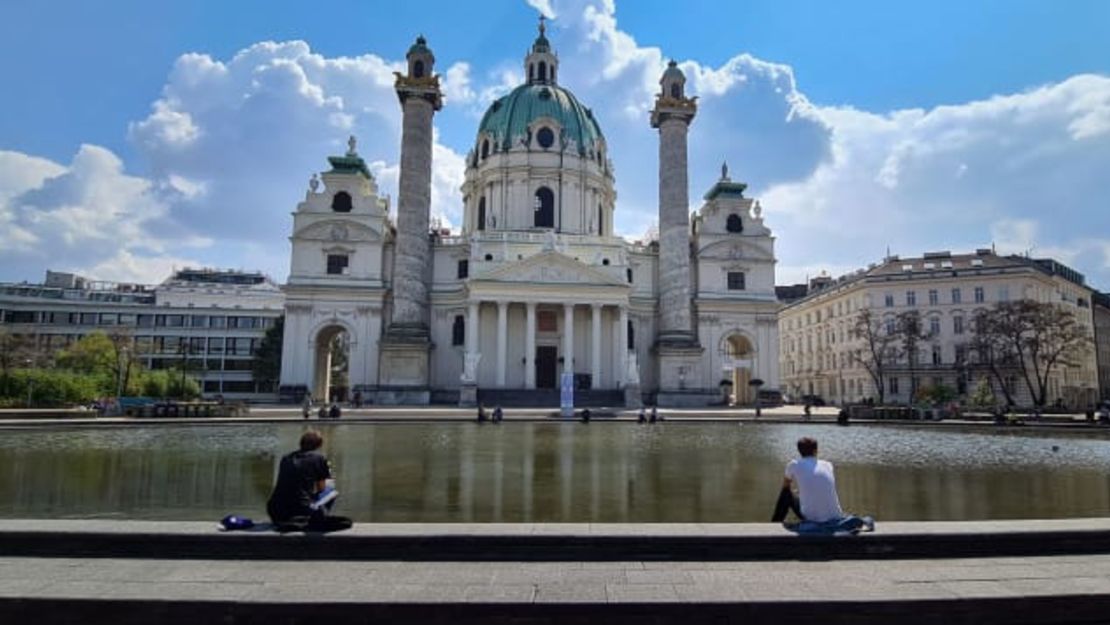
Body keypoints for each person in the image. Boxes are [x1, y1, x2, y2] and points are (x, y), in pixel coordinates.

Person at [781, 437, 874, 535]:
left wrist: (798, 492)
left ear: (799, 451)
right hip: (836, 516)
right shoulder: (828, 465)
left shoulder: (793, 464)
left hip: (811, 518)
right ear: (816, 450)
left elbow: (785, 485)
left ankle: (776, 522)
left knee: (787, 493)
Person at [267, 430, 352, 532]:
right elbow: (322, 488)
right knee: (331, 490)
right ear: (319, 445)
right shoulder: (319, 458)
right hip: (300, 510)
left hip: (275, 511)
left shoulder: (286, 458)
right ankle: (319, 515)